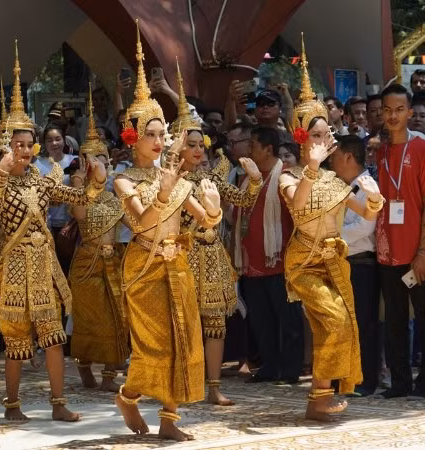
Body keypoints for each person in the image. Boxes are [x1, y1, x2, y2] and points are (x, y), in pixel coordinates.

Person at [0, 42, 105, 422]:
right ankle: (13, 405)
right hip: (15, 266)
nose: (22, 149)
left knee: (53, 337)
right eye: (16, 144)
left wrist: (95, 182)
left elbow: (76, 195)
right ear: (6, 146)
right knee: (17, 342)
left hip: (45, 265)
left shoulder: (42, 179)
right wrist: (0, 172)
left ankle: (57, 403)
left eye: (26, 143)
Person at [113, 21, 221, 442]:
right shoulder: (124, 179)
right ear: (132, 138)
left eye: (162, 134)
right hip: (144, 266)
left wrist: (211, 208)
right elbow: (141, 222)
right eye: (150, 134)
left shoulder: (178, 176)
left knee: (181, 338)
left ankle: (170, 420)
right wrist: (164, 190)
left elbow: (206, 220)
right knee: (154, 345)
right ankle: (129, 393)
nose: (159, 141)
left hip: (179, 263)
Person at [278, 37, 383, 420]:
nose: (326, 142)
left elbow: (367, 215)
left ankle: (318, 397)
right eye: (319, 136)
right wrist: (311, 166)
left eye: (327, 135)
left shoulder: (337, 181)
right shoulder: (290, 175)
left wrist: (372, 199)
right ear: (303, 138)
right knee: (335, 318)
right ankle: (321, 394)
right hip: (304, 262)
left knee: (334, 326)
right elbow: (299, 204)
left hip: (334, 261)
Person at [171, 64, 263, 406]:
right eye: (190, 144)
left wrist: (253, 179)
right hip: (182, 255)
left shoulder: (210, 178)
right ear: (177, 149)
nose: (198, 150)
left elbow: (242, 201)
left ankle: (212, 387)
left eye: (201, 144)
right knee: (186, 323)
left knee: (215, 325)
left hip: (212, 256)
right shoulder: (170, 182)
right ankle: (185, 383)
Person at [376, 83, 425, 400]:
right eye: (387, 109)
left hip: (418, 252)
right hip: (387, 252)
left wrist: (424, 252)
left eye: (399, 109)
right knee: (395, 321)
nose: (393, 115)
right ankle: (400, 383)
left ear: (410, 113)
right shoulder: (379, 151)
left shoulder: (424, 151)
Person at [68, 85, 129, 393]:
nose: (98, 164)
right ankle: (84, 369)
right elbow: (78, 215)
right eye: (91, 159)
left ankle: (109, 374)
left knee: (114, 317)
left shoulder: (117, 192)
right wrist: (80, 177)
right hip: (87, 261)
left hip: (114, 259)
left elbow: (134, 221)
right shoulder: (79, 191)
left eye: (102, 158)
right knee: (89, 317)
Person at [235, 126, 305, 384]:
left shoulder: (286, 177)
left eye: (253, 144)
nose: (249, 149)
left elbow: (298, 218)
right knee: (261, 320)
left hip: (281, 262)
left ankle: (290, 370)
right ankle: (269, 366)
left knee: (288, 320)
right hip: (252, 262)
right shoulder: (246, 179)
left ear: (268, 149)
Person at [332, 134, 380, 397]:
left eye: (335, 156)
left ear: (348, 157)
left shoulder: (367, 186)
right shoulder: (345, 185)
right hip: (344, 261)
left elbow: (365, 224)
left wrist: (333, 235)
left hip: (361, 263)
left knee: (363, 323)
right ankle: (346, 377)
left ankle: (365, 379)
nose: (332, 162)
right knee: (344, 323)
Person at [36, 123, 77, 274]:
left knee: (70, 264)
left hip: (71, 222)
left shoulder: (74, 161)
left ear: (64, 140)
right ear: (44, 143)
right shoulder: (37, 165)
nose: (54, 143)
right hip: (47, 223)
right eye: (49, 140)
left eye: (57, 139)